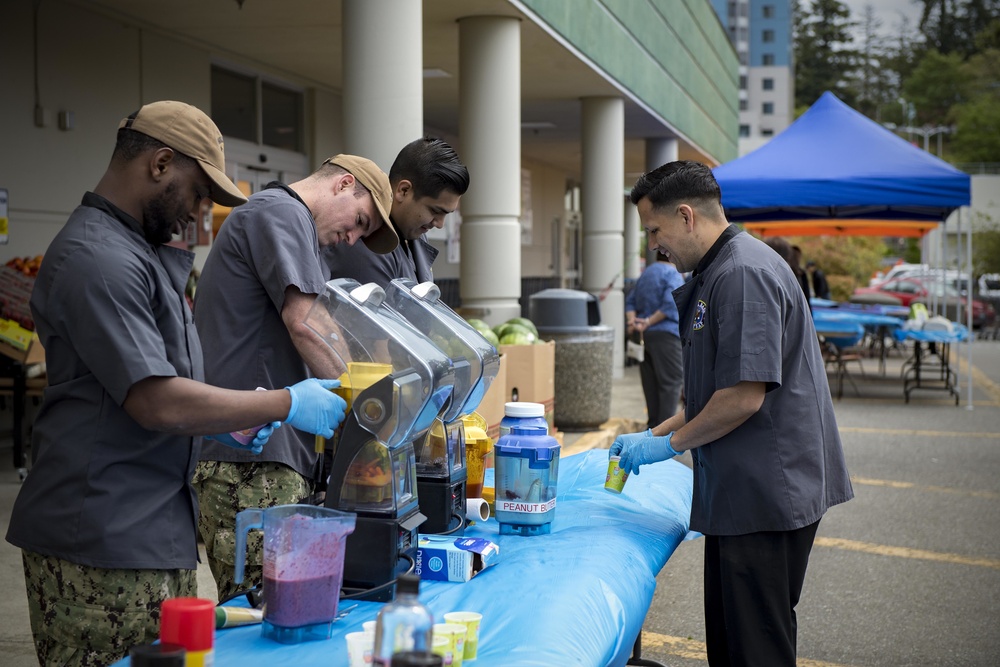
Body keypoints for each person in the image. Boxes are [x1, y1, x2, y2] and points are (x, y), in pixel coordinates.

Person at [4, 100, 348, 667]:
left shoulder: (137, 253)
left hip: (149, 530)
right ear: (160, 164)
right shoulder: (98, 257)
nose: (200, 212)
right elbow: (154, 399)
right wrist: (284, 402)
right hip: (100, 539)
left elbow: (158, 386)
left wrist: (236, 423)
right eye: (198, 194)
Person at [611, 160, 853, 667]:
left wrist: (667, 446)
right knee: (730, 637)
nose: (654, 245)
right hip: (742, 492)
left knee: (754, 647)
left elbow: (743, 398)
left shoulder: (743, 272)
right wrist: (654, 432)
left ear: (685, 217)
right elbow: (709, 394)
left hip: (766, 493)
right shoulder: (720, 269)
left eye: (655, 230)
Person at [192, 153, 399, 601]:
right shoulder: (281, 212)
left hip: (266, 454)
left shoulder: (293, 226)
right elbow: (307, 321)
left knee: (288, 607)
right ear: (344, 184)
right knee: (270, 608)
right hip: (251, 462)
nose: (352, 239)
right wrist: (366, 409)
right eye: (360, 220)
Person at [324, 136, 469, 286]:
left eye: (446, 214)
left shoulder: (413, 234)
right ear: (404, 190)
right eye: (435, 211)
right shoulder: (363, 241)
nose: (440, 224)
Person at [626, 254, 685, 428]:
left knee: (650, 383)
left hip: (644, 337)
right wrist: (648, 321)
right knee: (671, 383)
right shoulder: (672, 274)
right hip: (667, 335)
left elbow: (630, 302)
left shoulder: (646, 274)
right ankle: (663, 432)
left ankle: (652, 428)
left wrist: (634, 322)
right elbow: (670, 304)